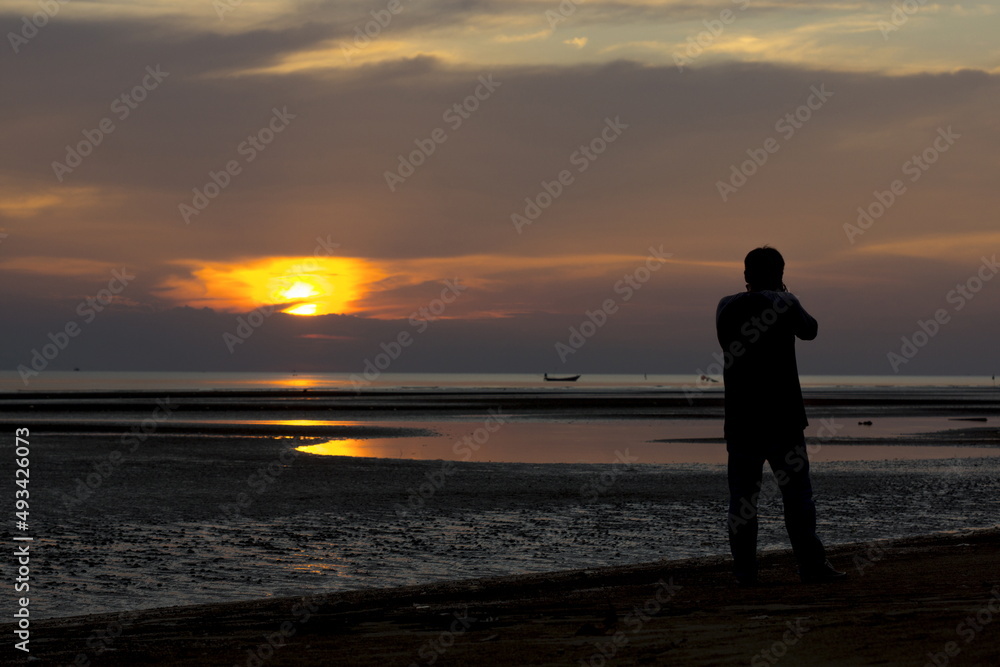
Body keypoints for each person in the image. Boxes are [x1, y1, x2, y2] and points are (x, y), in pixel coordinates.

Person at [715, 246, 845, 585]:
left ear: (746, 275)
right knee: (797, 495)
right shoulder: (785, 303)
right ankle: (811, 565)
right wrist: (785, 294)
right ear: (780, 274)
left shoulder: (725, 306)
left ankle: (745, 571)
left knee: (743, 500)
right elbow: (811, 329)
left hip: (742, 418)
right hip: (783, 418)